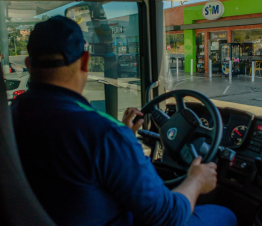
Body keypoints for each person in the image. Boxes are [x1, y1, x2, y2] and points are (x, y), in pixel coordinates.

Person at [11, 16, 237, 226]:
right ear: (85, 62)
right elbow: (170, 216)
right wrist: (196, 180)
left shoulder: (15, 113)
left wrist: (125, 137)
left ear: (29, 64)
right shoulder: (104, 133)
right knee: (227, 215)